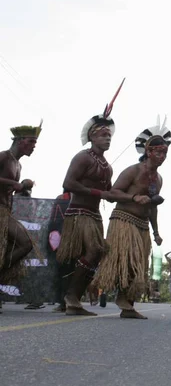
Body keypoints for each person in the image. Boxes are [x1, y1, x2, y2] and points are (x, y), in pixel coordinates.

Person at [93, 115, 170, 319]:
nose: (162, 156)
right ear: (148, 151)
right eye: (159, 152)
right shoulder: (133, 171)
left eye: (165, 152)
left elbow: (153, 206)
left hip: (143, 225)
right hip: (124, 220)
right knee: (130, 261)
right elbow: (111, 194)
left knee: (140, 266)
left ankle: (127, 304)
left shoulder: (159, 179)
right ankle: (121, 298)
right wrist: (135, 197)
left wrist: (156, 232)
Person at [56, 85, 124, 316]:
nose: (107, 138)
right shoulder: (83, 157)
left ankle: (72, 297)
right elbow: (68, 183)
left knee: (98, 253)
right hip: (78, 214)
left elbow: (111, 192)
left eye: (109, 135)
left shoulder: (108, 167)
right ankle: (70, 296)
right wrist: (99, 194)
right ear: (92, 136)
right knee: (93, 250)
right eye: (103, 135)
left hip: (95, 217)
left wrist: (132, 195)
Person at [0, 122, 40, 289]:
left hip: (5, 211)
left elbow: (12, 189)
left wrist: (23, 184)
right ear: (19, 140)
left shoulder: (18, 164)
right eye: (31, 142)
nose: (33, 146)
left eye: (35, 143)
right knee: (25, 243)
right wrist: (13, 183)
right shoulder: (3, 156)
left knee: (23, 244)